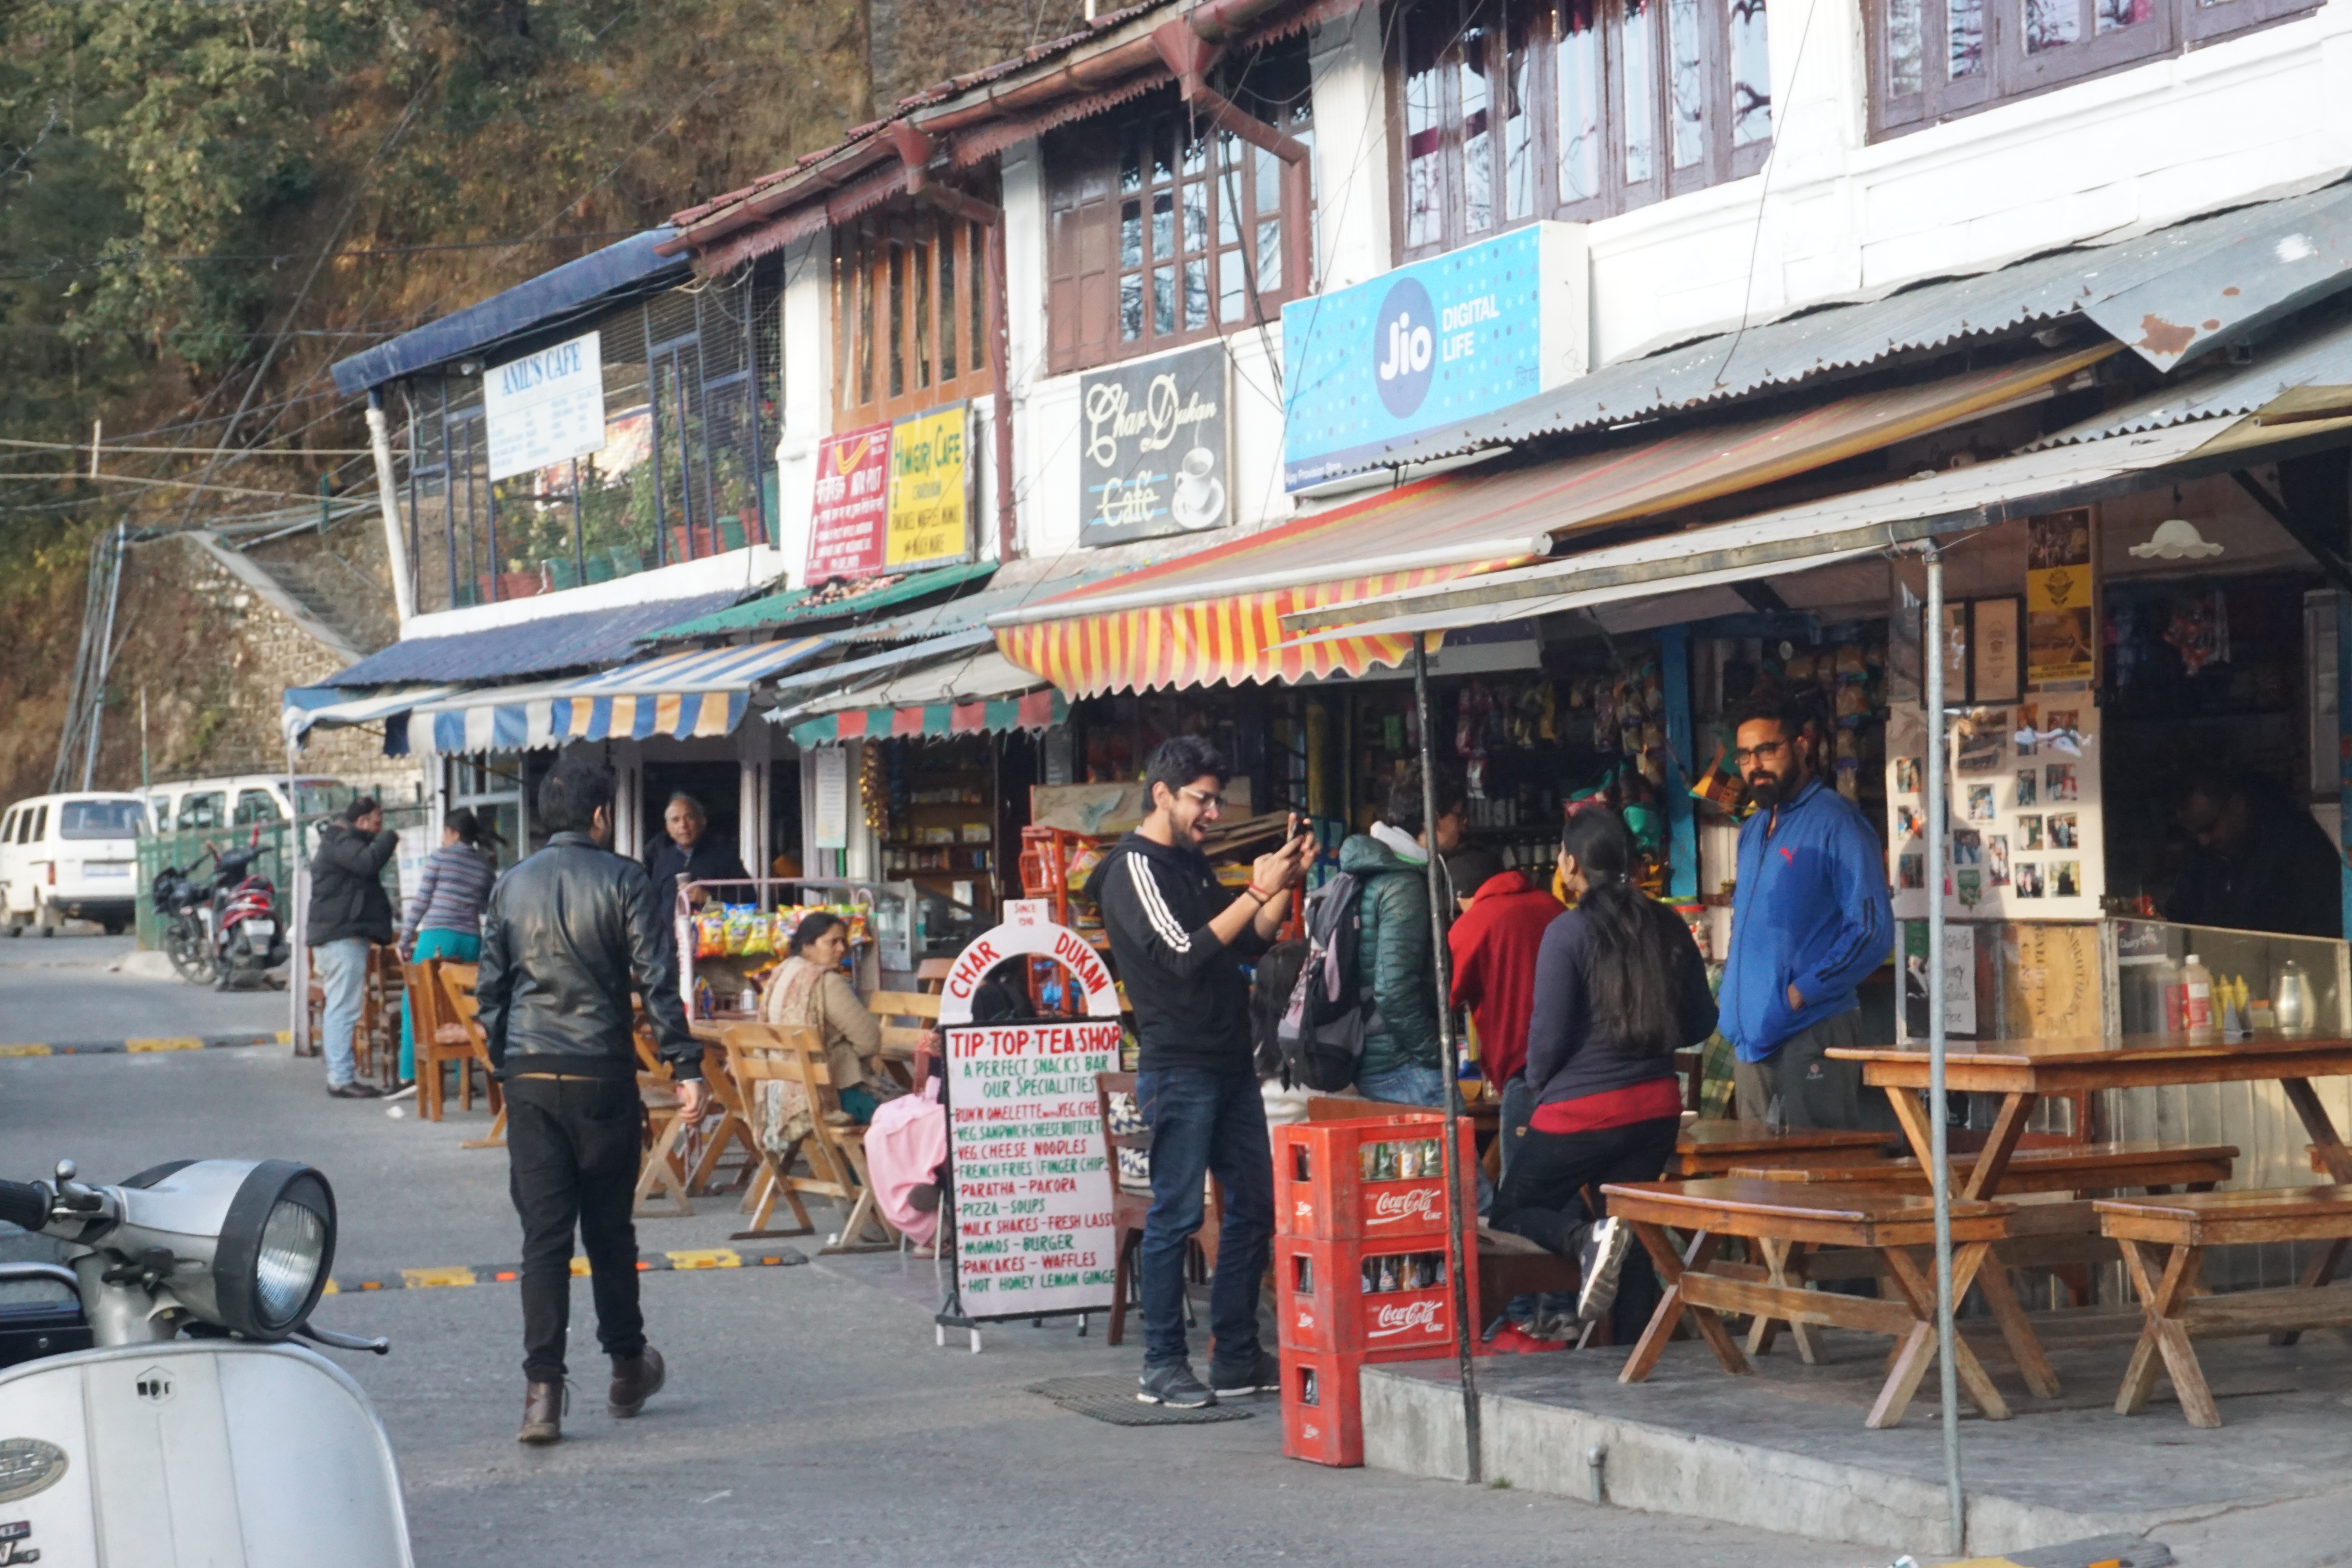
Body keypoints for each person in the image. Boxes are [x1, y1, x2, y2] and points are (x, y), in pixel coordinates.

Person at [475, 758, 699, 1446]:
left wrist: (509, 1061)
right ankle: (627, 1368)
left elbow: (492, 993)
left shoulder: (509, 885)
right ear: (601, 816)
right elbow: (659, 981)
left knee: (544, 1239)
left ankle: (542, 1394)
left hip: (532, 1079)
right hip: (601, 1074)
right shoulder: (628, 879)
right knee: (609, 1233)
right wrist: (684, 1064)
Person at [1086, 735, 1314, 1409]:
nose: (1212, 813)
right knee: (1177, 1215)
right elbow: (1183, 951)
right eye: (1202, 800)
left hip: (1230, 1061)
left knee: (1254, 1208)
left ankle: (1237, 1355)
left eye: (1217, 800)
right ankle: (1161, 1364)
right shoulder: (1134, 870)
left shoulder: (1187, 863)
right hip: (1179, 1066)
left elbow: (1246, 940)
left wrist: (1280, 888)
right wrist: (1257, 889)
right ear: (1162, 794)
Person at [1488, 807, 1717, 1347]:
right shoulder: (1667, 923)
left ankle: (1581, 1237)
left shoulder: (1567, 932)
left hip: (1582, 1111)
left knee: (1510, 1213)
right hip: (1657, 1108)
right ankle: (1633, 1352)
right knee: (1630, 1225)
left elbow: (1545, 1040)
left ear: (1569, 864)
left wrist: (1543, 1089)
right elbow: (1702, 1019)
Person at [1718, 693, 1893, 1129]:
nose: (1754, 765)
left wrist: (1800, 993)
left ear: (1802, 745)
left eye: (1767, 750)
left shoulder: (1838, 821)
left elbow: (1871, 933)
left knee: (1818, 1179)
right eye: (1744, 755)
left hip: (1812, 1028)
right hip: (1751, 1039)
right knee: (1755, 1185)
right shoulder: (1754, 829)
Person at [1339, 763, 1468, 1107]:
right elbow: (1394, 990)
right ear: (1435, 819)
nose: (1464, 825)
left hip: (1382, 1061)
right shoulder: (1404, 885)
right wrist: (1435, 1055)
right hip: (1405, 1067)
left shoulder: (1379, 870)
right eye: (1459, 815)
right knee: (1458, 1162)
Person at [758, 910, 905, 1144]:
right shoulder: (825, 981)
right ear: (807, 945)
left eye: (843, 941)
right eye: (832, 942)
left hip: (784, 1094)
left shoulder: (780, 974)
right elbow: (870, 1041)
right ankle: (870, 1180)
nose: (841, 949)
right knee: (911, 1116)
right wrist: (845, 1058)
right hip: (831, 1096)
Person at [2165, 769, 2342, 939]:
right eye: (2196, 834)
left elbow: (2320, 937)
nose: (2204, 841)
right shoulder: (2204, 858)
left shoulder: (2303, 852)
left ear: (2238, 807)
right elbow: (2181, 916)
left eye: (2210, 829)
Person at [396, 807, 500, 1086]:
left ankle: (409, 1075)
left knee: (415, 1002)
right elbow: (488, 906)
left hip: (437, 938)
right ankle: (462, 1079)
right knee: (461, 1007)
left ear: (453, 833)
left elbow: (423, 901)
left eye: (445, 832)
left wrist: (406, 939)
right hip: (470, 941)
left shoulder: (440, 858)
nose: (443, 838)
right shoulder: (483, 866)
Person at [307, 796, 397, 1100]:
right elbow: (368, 863)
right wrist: (390, 839)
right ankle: (341, 1078)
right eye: (376, 823)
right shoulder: (342, 843)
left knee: (341, 1007)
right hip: (342, 938)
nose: (379, 829)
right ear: (361, 822)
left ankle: (340, 1074)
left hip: (342, 936)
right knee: (343, 1009)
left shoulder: (339, 842)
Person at [644, 793, 750, 903]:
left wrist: (708, 897)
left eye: (689, 817)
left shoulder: (724, 856)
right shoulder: (663, 860)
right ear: (668, 829)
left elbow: (749, 897)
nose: (683, 825)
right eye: (676, 820)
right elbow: (653, 905)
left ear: (703, 822)